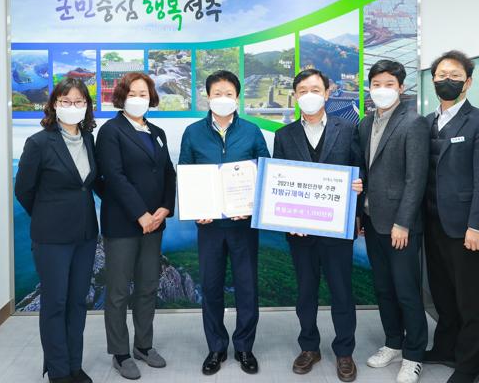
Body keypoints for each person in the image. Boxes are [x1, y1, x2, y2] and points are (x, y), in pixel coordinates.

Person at [273, 68, 363, 382]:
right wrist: (287, 220)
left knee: (342, 291)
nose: (309, 95)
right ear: (295, 96)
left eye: (315, 89)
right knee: (306, 292)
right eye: (302, 91)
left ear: (327, 93)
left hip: (337, 228)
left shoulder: (348, 129)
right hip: (300, 231)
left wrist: (359, 191)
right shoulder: (284, 135)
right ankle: (309, 347)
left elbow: (360, 170)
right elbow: (278, 181)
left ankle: (344, 351)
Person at [179, 70, 270, 376]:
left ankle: (244, 346)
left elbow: (265, 172)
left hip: (243, 226)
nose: (222, 98)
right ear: (208, 97)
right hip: (209, 227)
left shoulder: (252, 131)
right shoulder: (193, 132)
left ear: (237, 98)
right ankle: (216, 347)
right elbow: (185, 174)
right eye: (217, 93)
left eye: (228, 93)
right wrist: (196, 209)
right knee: (211, 287)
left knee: (247, 288)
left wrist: (252, 207)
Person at [423, 50, 479, 383]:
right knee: (442, 294)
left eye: (455, 75)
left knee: (469, 301)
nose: (447, 80)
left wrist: (476, 226)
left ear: (468, 82)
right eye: (441, 75)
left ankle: (468, 368)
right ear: (433, 80)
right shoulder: (428, 121)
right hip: (432, 223)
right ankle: (445, 348)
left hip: (466, 229)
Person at [15, 78, 101, 383]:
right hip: (51, 238)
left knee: (78, 302)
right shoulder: (39, 143)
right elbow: (24, 190)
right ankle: (59, 371)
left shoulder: (88, 139)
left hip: (86, 236)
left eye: (79, 101)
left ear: (87, 106)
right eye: (66, 101)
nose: (72, 107)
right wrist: (47, 215)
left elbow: (89, 184)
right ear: (54, 104)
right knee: (55, 304)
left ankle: (74, 365)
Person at [96, 72, 176, 380]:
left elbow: (167, 173)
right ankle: (120, 353)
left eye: (144, 94)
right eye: (132, 94)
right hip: (123, 224)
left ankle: (144, 345)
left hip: (155, 223)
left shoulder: (157, 132)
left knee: (147, 286)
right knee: (118, 291)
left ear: (151, 98)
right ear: (121, 97)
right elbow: (114, 177)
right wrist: (141, 214)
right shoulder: (111, 131)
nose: (138, 99)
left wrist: (165, 208)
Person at [357, 60, 429, 383]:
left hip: (401, 226)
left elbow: (416, 179)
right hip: (373, 221)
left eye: (389, 84)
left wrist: (404, 222)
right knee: (384, 288)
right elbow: (365, 170)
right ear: (369, 88)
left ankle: (413, 355)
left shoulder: (413, 123)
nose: (382, 90)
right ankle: (393, 343)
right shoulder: (365, 123)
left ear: (401, 87)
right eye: (376, 84)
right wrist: (360, 213)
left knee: (407, 291)